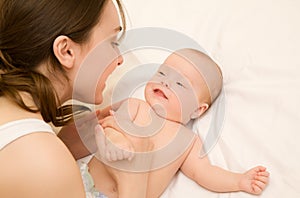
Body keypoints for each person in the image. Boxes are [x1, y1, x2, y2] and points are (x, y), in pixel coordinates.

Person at [86, 48, 270, 197]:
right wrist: (118, 140)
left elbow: (204, 173)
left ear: (198, 109)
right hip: (84, 185)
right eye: (162, 73)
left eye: (180, 84)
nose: (166, 83)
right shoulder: (135, 106)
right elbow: (110, 126)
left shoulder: (187, 142)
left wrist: (239, 181)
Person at [0, 0, 125, 197]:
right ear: (66, 51)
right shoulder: (46, 163)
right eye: (112, 43)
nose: (120, 59)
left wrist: (63, 144)